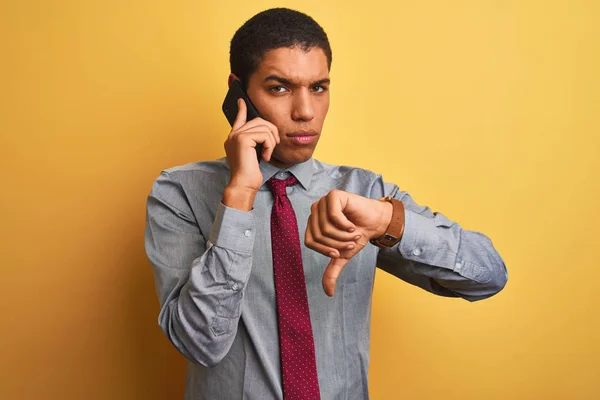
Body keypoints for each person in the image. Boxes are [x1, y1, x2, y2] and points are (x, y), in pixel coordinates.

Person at [145, 7, 507, 400]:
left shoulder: (363, 191)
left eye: (318, 87)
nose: (305, 112)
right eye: (279, 87)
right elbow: (200, 343)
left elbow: (488, 277)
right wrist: (239, 196)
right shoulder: (179, 192)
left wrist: (387, 220)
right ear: (238, 92)